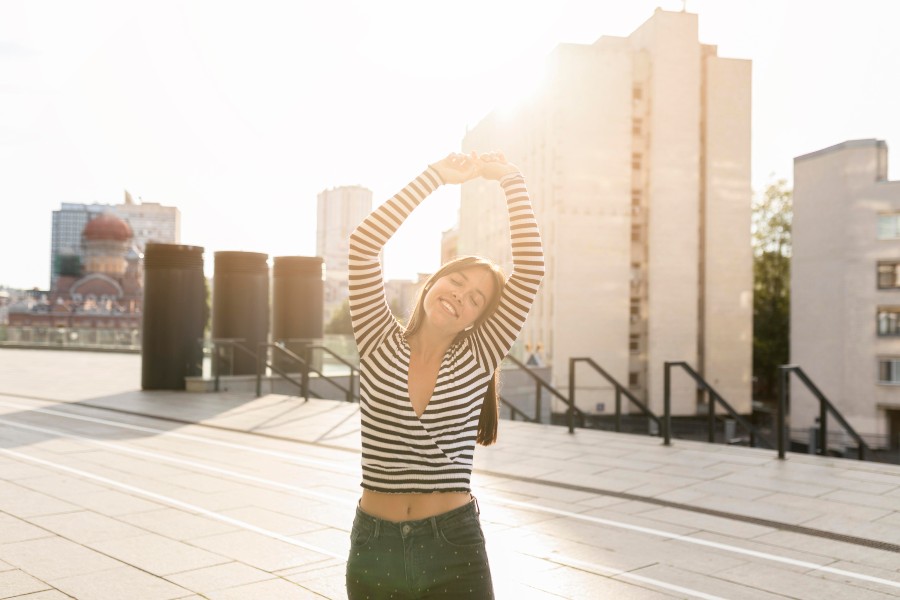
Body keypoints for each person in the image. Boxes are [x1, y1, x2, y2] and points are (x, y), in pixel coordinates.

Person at [346, 150, 544, 599]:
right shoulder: (378, 340)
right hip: (375, 547)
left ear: (477, 320)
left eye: (476, 299)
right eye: (457, 282)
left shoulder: (477, 356)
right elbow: (363, 245)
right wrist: (435, 177)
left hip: (454, 546)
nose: (461, 297)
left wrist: (511, 179)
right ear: (435, 281)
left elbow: (529, 271)